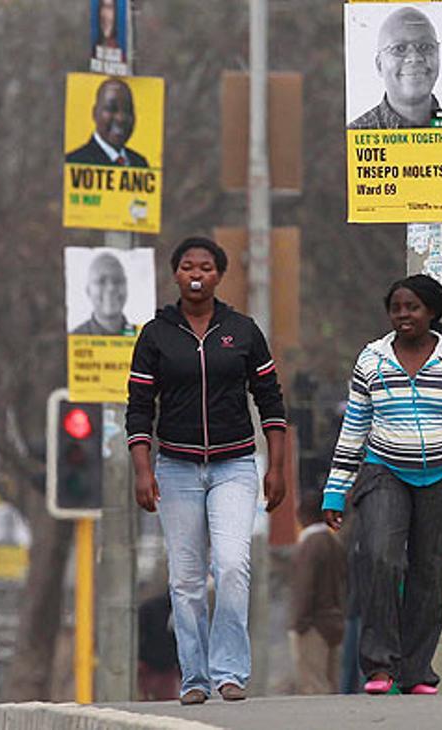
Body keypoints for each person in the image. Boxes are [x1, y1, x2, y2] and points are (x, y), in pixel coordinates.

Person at [127, 236, 288, 705]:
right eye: (186, 266)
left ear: (220, 275)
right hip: (175, 468)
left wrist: (275, 467)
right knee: (186, 579)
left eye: (206, 267)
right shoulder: (156, 335)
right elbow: (138, 409)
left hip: (234, 466)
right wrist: (142, 470)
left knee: (234, 565)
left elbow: (271, 401)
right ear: (175, 274)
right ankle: (194, 677)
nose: (196, 274)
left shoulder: (243, 331)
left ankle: (230, 671)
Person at [321, 274, 442, 696]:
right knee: (381, 557)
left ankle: (417, 671)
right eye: (397, 308)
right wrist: (335, 488)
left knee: (427, 571)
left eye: (413, 307)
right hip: (384, 470)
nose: (404, 315)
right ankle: (380, 664)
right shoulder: (372, 360)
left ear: (432, 312)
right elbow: (355, 426)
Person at [288, 494, 347, 695]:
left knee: (314, 684)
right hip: (335, 620)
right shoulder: (335, 542)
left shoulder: (310, 543)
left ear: (301, 515)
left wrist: (298, 623)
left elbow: (305, 585)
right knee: (331, 682)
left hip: (313, 624)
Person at [349, 7, 442, 130]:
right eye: (399, 48)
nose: (414, 58)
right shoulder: (354, 134)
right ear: (379, 65)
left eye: (425, 47)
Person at [66, 77, 148, 167]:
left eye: (127, 110)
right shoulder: (74, 162)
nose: (121, 118)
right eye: (111, 108)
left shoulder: (140, 163)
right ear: (94, 113)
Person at [71, 252, 133, 335]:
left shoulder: (143, 338)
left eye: (117, 280)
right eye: (101, 281)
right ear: (88, 291)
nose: (111, 288)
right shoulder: (74, 338)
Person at [138, 592, 181, 701]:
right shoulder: (185, 612)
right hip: (162, 665)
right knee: (167, 701)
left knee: (146, 701)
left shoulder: (149, 607)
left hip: (152, 663)